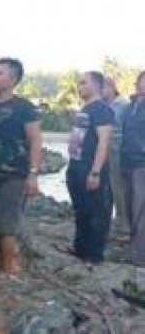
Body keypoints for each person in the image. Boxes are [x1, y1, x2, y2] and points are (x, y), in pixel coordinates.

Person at [0, 58, 42, 274]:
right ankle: (10, 260)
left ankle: (7, 271)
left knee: (5, 226)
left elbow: (35, 141)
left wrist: (33, 175)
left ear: (13, 79)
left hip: (15, 175)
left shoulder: (24, 108)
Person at [62, 71, 113, 264]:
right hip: (76, 165)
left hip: (90, 168)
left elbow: (104, 142)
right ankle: (80, 248)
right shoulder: (86, 108)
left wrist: (95, 172)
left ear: (97, 86)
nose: (79, 86)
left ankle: (94, 255)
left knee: (96, 212)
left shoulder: (101, 109)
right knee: (81, 209)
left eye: (83, 83)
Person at [121, 71, 145, 266]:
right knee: (129, 204)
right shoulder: (129, 107)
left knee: (140, 206)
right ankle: (133, 245)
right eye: (141, 81)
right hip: (126, 160)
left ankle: (139, 255)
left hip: (142, 164)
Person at [102, 77, 129, 238]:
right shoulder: (103, 105)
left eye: (103, 87)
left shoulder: (123, 106)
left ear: (112, 87)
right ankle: (110, 224)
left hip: (118, 153)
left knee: (119, 190)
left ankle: (123, 226)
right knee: (106, 190)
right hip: (103, 153)